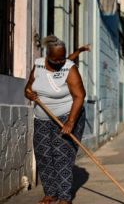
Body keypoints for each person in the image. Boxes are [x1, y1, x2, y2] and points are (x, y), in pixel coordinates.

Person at [24, 36, 87, 204]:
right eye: (55, 59)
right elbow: (29, 88)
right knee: (43, 154)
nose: (59, 62)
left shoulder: (69, 68)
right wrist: (29, 93)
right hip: (42, 118)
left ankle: (64, 197)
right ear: (47, 55)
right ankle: (50, 194)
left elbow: (80, 96)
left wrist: (71, 122)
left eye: (62, 57)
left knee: (61, 155)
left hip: (68, 115)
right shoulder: (38, 65)